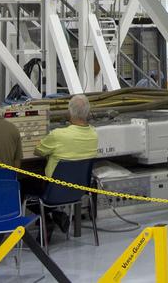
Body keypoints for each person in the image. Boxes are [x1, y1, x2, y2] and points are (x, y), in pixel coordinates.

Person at [31, 94, 98, 233]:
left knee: (23, 185)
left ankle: (49, 219)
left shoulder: (58, 135)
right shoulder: (94, 135)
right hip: (79, 191)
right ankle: (55, 216)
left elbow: (37, 151)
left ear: (69, 112)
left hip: (53, 191)